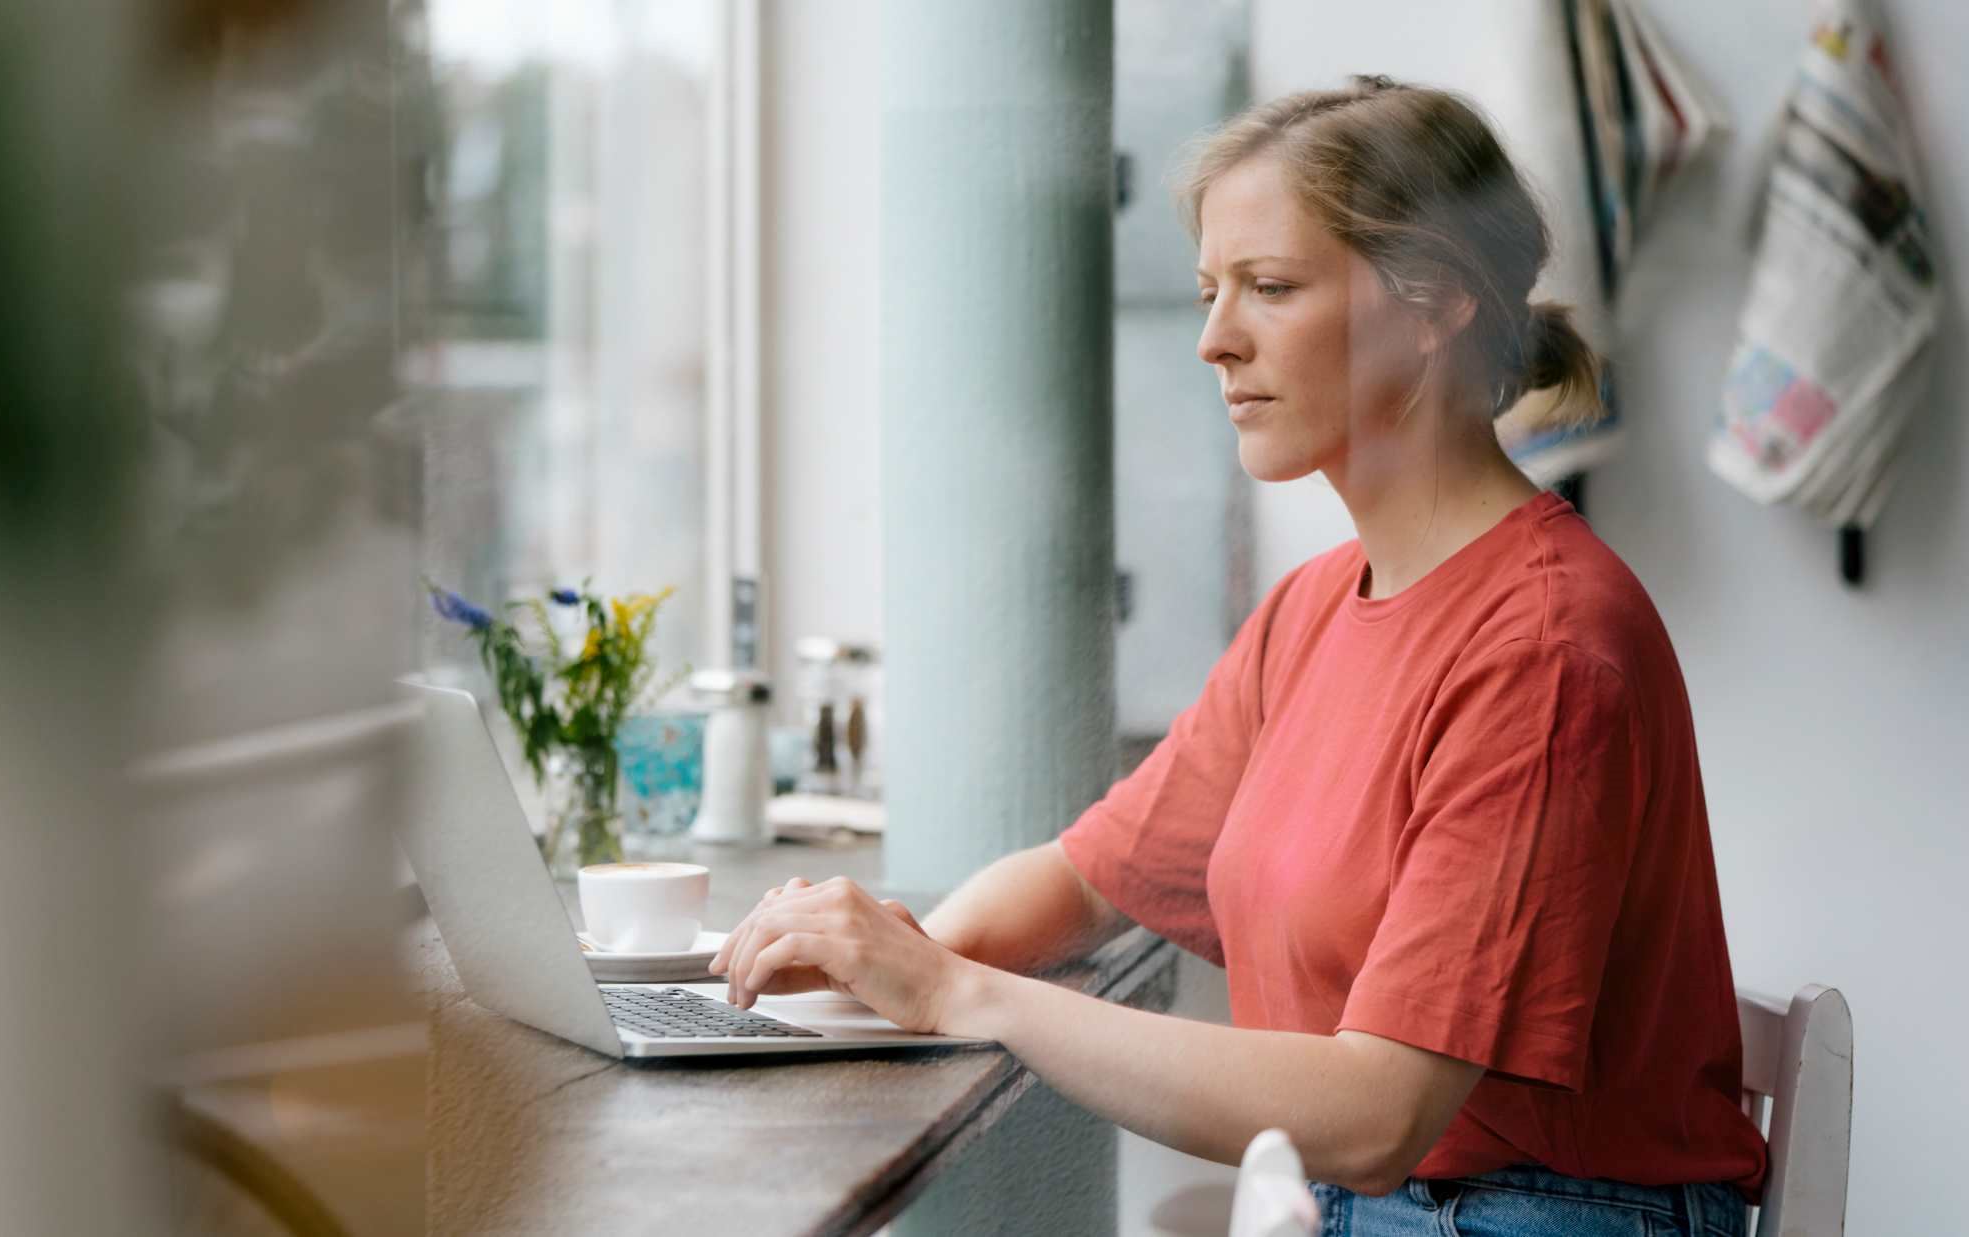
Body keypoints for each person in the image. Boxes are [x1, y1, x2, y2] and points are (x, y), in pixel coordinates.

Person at [711, 75, 1766, 1236]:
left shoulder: (1547, 649)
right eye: (1214, 291)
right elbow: (1082, 881)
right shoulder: (1313, 611)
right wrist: (878, 957)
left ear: (1433, 307)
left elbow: (1378, 1113)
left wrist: (959, 994)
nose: (1214, 340)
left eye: (1269, 288)